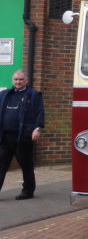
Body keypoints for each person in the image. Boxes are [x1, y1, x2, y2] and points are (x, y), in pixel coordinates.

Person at [0, 69, 45, 199]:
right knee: (1, 165)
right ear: (12, 80)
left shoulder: (34, 95)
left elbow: (39, 113)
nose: (18, 82)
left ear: (26, 80)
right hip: (5, 137)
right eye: (15, 79)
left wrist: (37, 129)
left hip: (23, 136)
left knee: (26, 165)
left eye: (21, 80)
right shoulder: (4, 94)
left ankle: (28, 191)